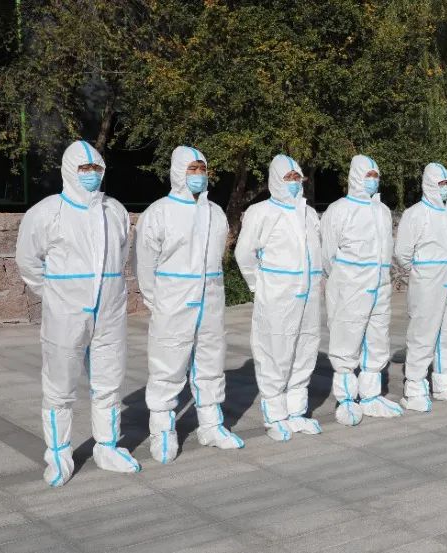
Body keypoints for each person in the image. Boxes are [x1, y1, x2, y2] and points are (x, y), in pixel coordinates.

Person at [17, 140, 141, 486]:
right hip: (66, 314)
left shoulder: (114, 210)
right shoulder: (47, 212)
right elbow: (28, 261)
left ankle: (107, 446)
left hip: (109, 311)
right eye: (84, 168)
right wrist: (55, 295)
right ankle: (58, 454)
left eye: (96, 168)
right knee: (60, 385)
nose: (90, 174)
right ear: (69, 170)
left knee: (109, 381)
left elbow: (121, 254)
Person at [136, 145, 244, 464]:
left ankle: (211, 425)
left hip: (209, 301)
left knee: (210, 362)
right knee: (168, 365)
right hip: (173, 300)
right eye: (192, 169)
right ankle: (162, 430)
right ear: (178, 172)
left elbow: (216, 258)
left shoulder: (215, 213)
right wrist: (157, 301)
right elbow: (145, 263)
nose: (198, 175)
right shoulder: (159, 212)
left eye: (202, 169)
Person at [234, 154, 323, 441]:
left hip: (308, 295)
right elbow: (244, 253)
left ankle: (296, 412)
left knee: (304, 349)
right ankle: (274, 415)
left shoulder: (309, 214)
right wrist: (258, 285)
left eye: (297, 177)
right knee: (275, 351)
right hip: (277, 295)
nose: (294, 182)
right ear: (275, 180)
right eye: (288, 178)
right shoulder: (261, 212)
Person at [322, 154, 402, 426]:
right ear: (356, 176)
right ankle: (346, 400)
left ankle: (370, 396)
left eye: (376, 175)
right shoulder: (339, 210)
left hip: (380, 285)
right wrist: (345, 280)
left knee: (377, 338)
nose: (373, 180)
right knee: (347, 340)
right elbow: (328, 255)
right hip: (351, 286)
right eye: (368, 175)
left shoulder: (382, 211)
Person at [393, 163, 447, 411]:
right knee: (423, 334)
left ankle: (443, 380)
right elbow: (402, 253)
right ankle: (414, 386)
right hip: (429, 282)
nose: (445, 188)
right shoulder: (415, 214)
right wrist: (423, 272)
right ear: (429, 184)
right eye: (441, 184)